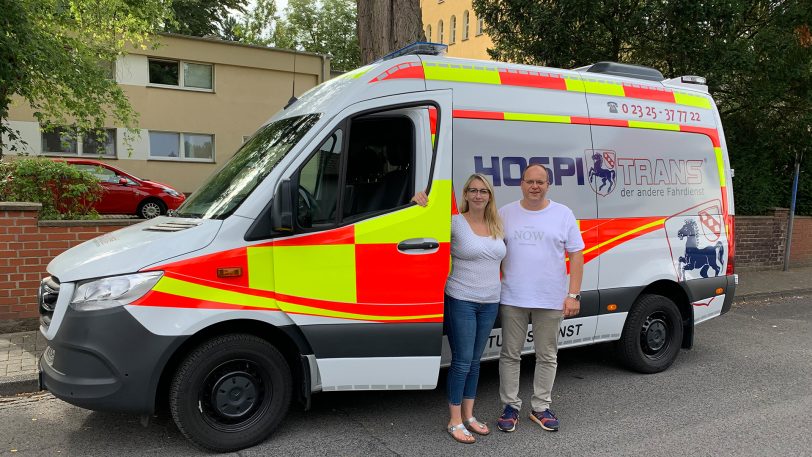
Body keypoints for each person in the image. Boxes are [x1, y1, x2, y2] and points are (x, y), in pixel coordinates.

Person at [413, 174, 506, 444]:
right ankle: (454, 420)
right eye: (473, 191)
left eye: (483, 191)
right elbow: (421, 225)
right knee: (463, 361)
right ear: (465, 195)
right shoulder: (454, 222)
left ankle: (469, 415)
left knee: (476, 361)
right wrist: (418, 201)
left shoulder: (497, 223)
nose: (478, 195)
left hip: (490, 301)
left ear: (489, 195)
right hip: (461, 299)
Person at [495, 163, 584, 433]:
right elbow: (490, 245)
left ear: (548, 185)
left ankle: (541, 407)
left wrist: (573, 295)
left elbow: (576, 255)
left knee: (547, 355)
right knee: (510, 354)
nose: (535, 186)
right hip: (513, 296)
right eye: (529, 181)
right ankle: (510, 406)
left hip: (550, 298)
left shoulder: (563, 214)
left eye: (540, 182)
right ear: (521, 183)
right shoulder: (505, 213)